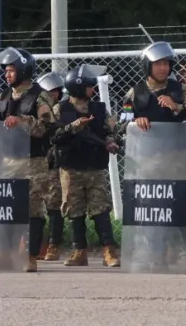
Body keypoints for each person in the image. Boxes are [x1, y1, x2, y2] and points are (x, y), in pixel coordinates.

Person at [122, 41, 186, 274]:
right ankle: (155, 255)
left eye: (167, 63)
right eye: (158, 63)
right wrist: (134, 122)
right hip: (146, 162)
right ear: (148, 66)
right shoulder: (134, 92)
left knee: (184, 206)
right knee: (151, 208)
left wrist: (177, 107)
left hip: (176, 160)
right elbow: (119, 123)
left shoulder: (181, 90)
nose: (163, 68)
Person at [0, 47, 56, 273]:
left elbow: (48, 126)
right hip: (8, 160)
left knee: (33, 209)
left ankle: (31, 256)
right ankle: (6, 254)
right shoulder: (3, 97)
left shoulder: (39, 95)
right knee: (8, 209)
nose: (7, 75)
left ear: (23, 70)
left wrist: (24, 121)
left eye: (11, 70)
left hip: (33, 160)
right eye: (6, 71)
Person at [52, 65, 120, 268]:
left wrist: (111, 141)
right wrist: (74, 127)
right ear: (79, 87)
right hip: (70, 167)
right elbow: (54, 135)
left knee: (100, 208)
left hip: (95, 167)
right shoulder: (61, 109)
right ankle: (79, 251)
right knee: (74, 210)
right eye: (90, 86)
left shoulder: (99, 108)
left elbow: (109, 130)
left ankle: (109, 251)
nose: (93, 90)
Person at [35, 71, 65, 261]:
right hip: (37, 162)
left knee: (54, 204)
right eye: (50, 92)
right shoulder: (37, 110)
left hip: (55, 163)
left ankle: (53, 244)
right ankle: (34, 244)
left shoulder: (62, 110)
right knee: (35, 205)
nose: (54, 95)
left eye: (57, 92)